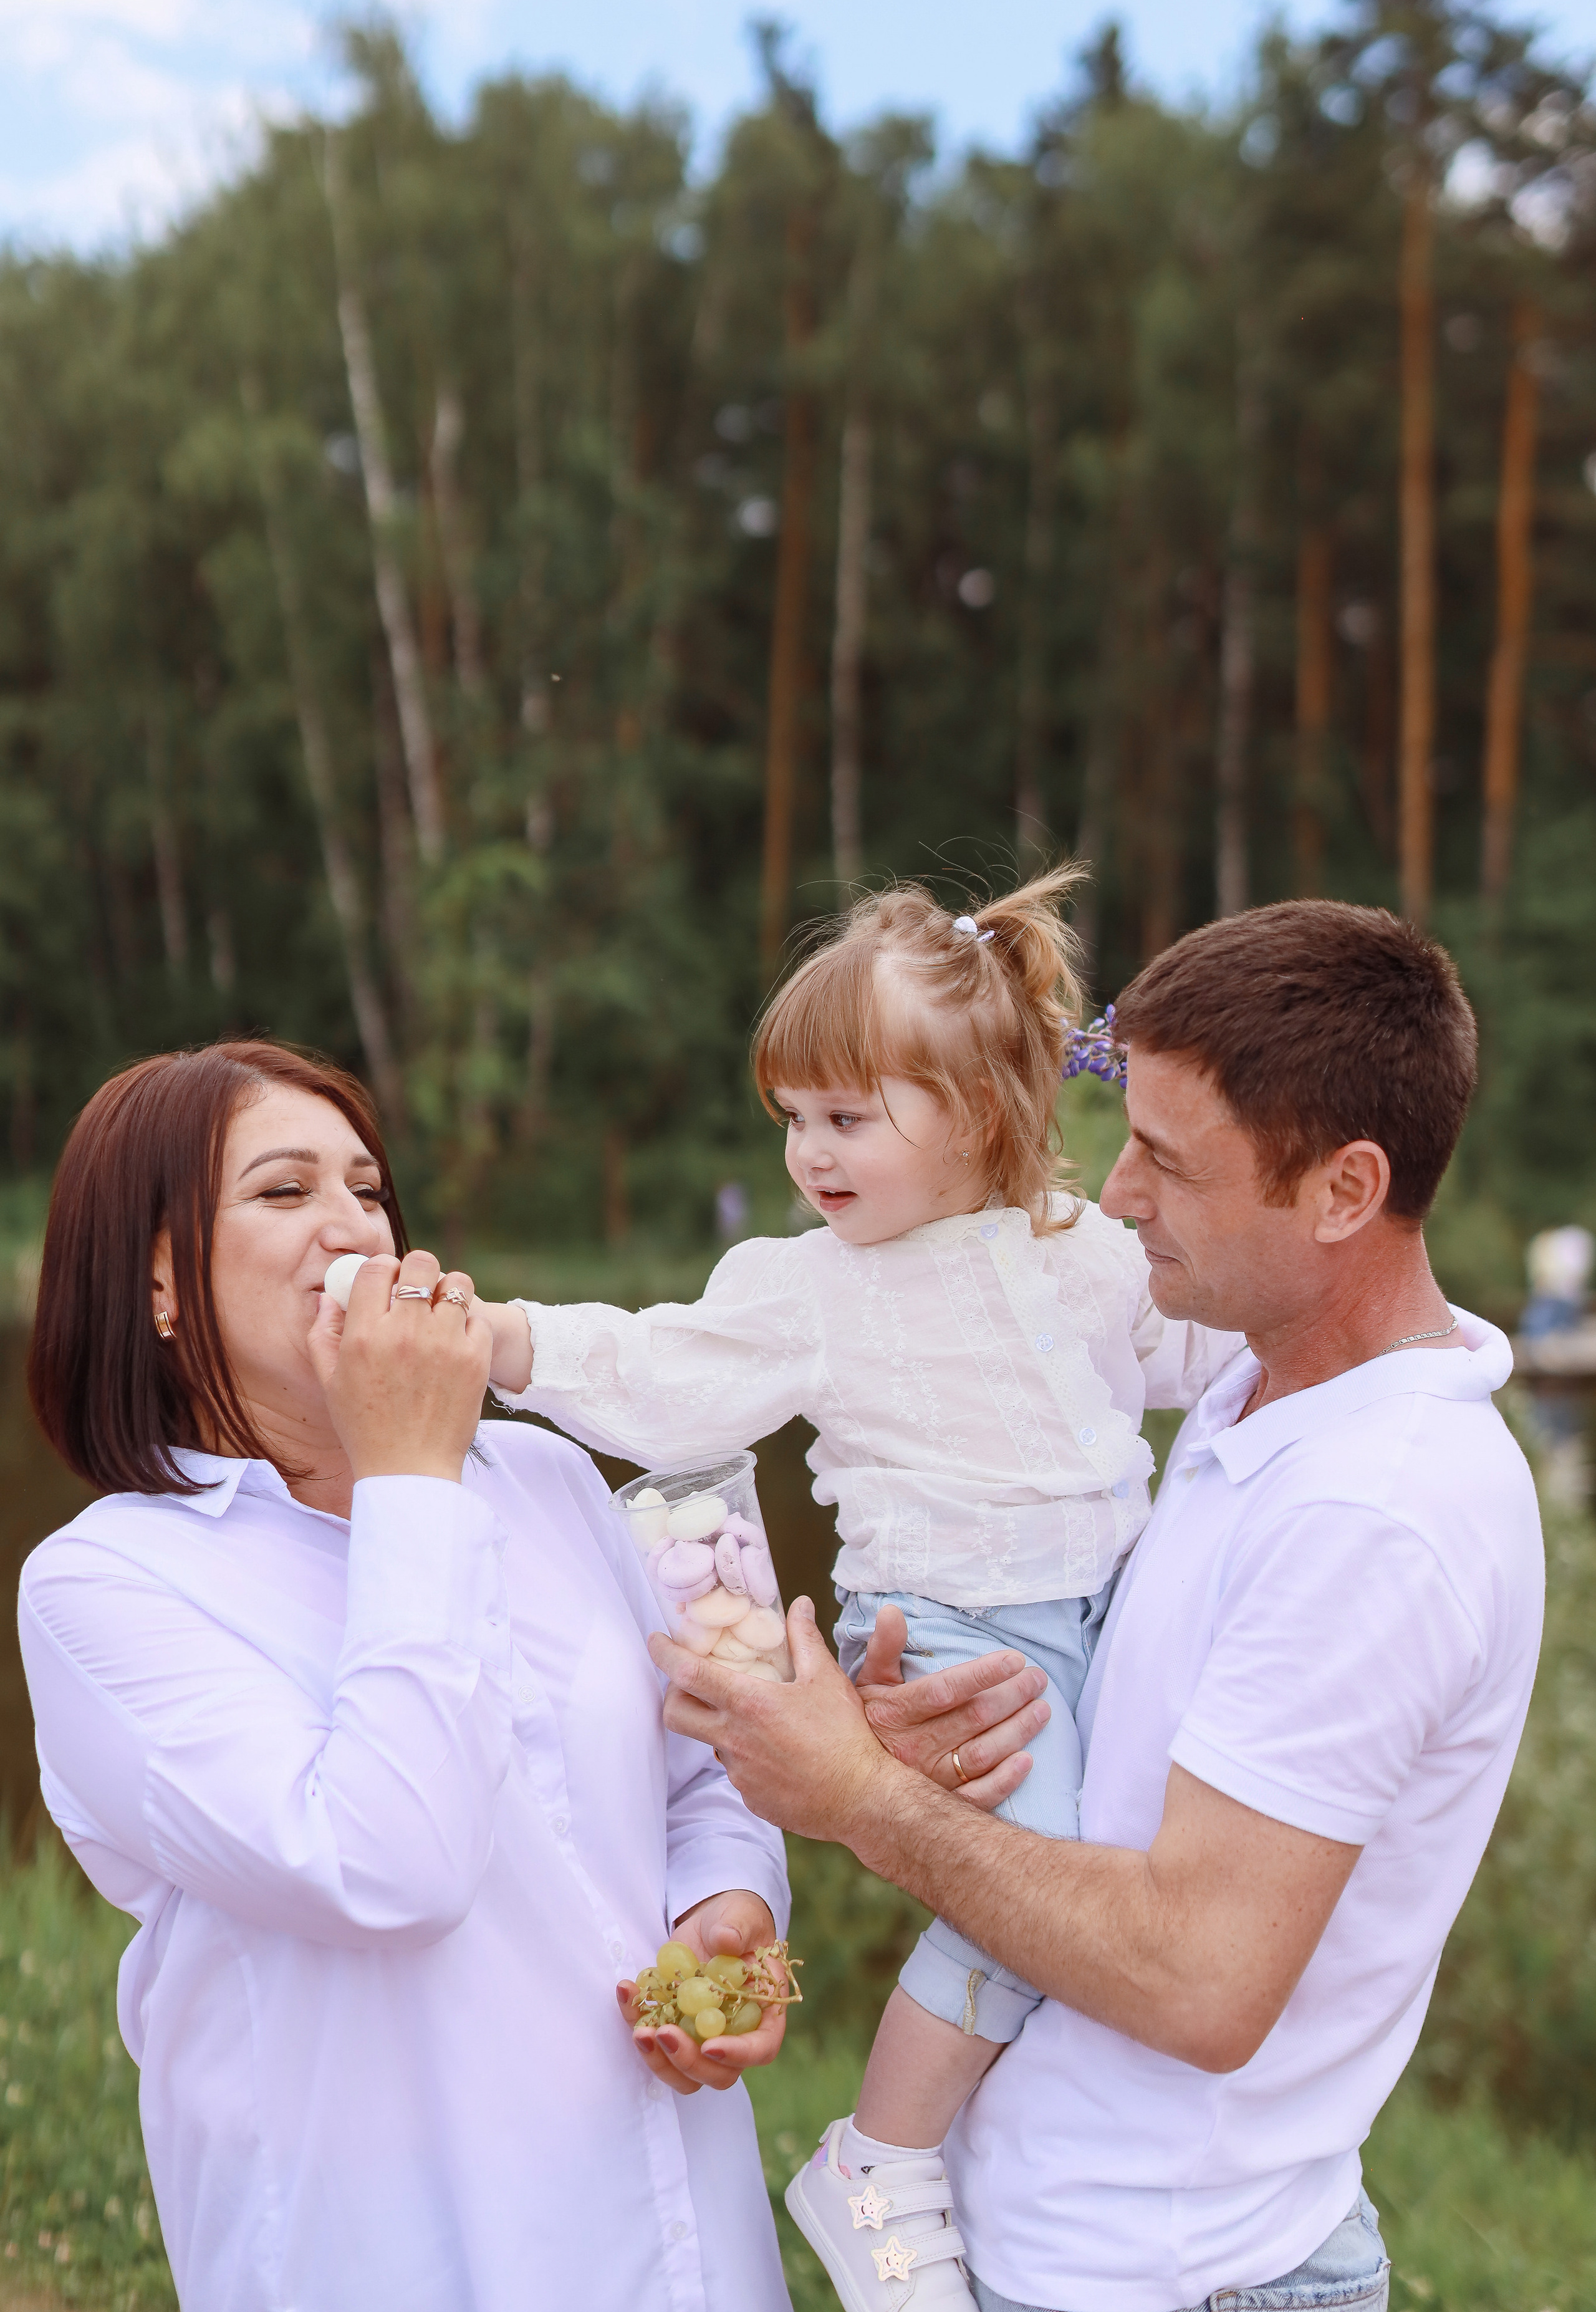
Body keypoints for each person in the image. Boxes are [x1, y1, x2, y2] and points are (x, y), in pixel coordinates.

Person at [651, 900, 1545, 2312]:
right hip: (1081, 2245)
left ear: (1340, 1190)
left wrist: (858, 1800)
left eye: (1169, 1163)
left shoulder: (1377, 1510)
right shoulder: (1261, 1391)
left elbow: (1197, 1980)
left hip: (1183, 2276)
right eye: (1125, 1136)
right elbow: (1123, 1767)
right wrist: (930, 1722)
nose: (1115, 1193)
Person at [478, 867, 1241, 2311]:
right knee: (1034, 1899)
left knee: (1136, 1880)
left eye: (845, 1117)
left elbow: (1194, 1357)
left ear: (977, 1111)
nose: (807, 1155)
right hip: (955, 1627)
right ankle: (877, 2157)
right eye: (793, 1122)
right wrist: (513, 1339)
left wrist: (1365, 1333)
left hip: (1104, 1619)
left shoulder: (1075, 1251)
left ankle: (1058, 2167)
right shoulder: (812, 1286)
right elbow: (662, 1376)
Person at [19, 1040, 796, 2312]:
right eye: (284, 1192)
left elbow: (703, 1770)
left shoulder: (541, 1480)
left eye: (369, 1189)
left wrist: (728, 1904)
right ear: (157, 1282)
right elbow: (390, 1865)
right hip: (399, 2255)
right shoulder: (106, 1589)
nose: (355, 1226)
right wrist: (408, 1480)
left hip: (672, 2228)